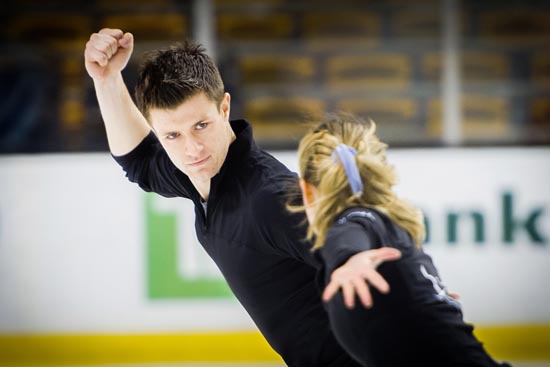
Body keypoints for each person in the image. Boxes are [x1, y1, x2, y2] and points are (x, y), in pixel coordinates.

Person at [83, 28, 402, 367]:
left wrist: (421, 303)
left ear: (224, 108)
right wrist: (107, 79)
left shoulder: (267, 196)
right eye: (172, 135)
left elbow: (353, 235)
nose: (191, 149)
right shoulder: (198, 175)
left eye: (201, 126)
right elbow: (140, 162)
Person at [292, 112, 512, 367]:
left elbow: (350, 231)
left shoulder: (361, 222)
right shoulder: (392, 233)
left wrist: (349, 260)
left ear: (306, 190)